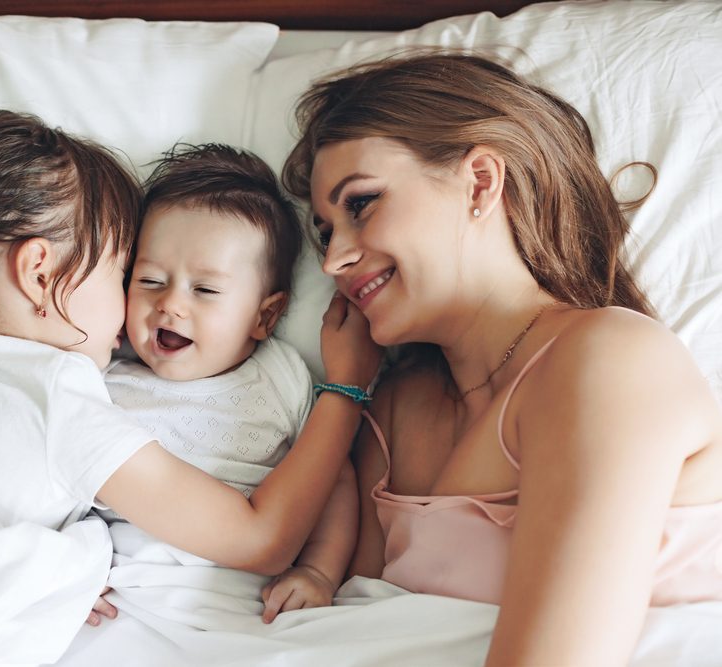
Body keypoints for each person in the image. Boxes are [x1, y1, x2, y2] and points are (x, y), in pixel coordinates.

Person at [0, 111, 381, 629]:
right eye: (127, 274)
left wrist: (24, 576)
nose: (142, 307)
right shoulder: (66, 399)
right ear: (40, 275)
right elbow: (258, 540)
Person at [281, 53, 722, 666]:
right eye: (326, 233)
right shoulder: (390, 411)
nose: (333, 261)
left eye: (360, 204)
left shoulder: (610, 358)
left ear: (482, 182)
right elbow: (344, 636)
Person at [102, 143, 359, 624]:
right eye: (151, 281)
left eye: (205, 290)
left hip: (247, 602)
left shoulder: (280, 377)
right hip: (130, 593)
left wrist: (321, 572)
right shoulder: (106, 377)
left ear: (265, 315)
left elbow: (333, 477)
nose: (171, 305)